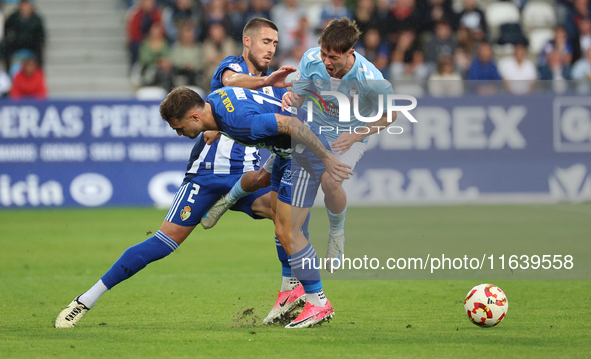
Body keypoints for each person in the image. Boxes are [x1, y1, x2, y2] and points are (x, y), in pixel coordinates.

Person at [282, 18, 396, 271]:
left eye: (333, 57)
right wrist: (291, 96)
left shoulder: (370, 78)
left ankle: (336, 233)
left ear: (350, 53)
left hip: (349, 137)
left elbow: (391, 115)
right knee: (270, 168)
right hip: (315, 130)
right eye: (324, 53)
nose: (326, 62)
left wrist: (356, 135)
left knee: (330, 181)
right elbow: (299, 98)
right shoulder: (311, 59)